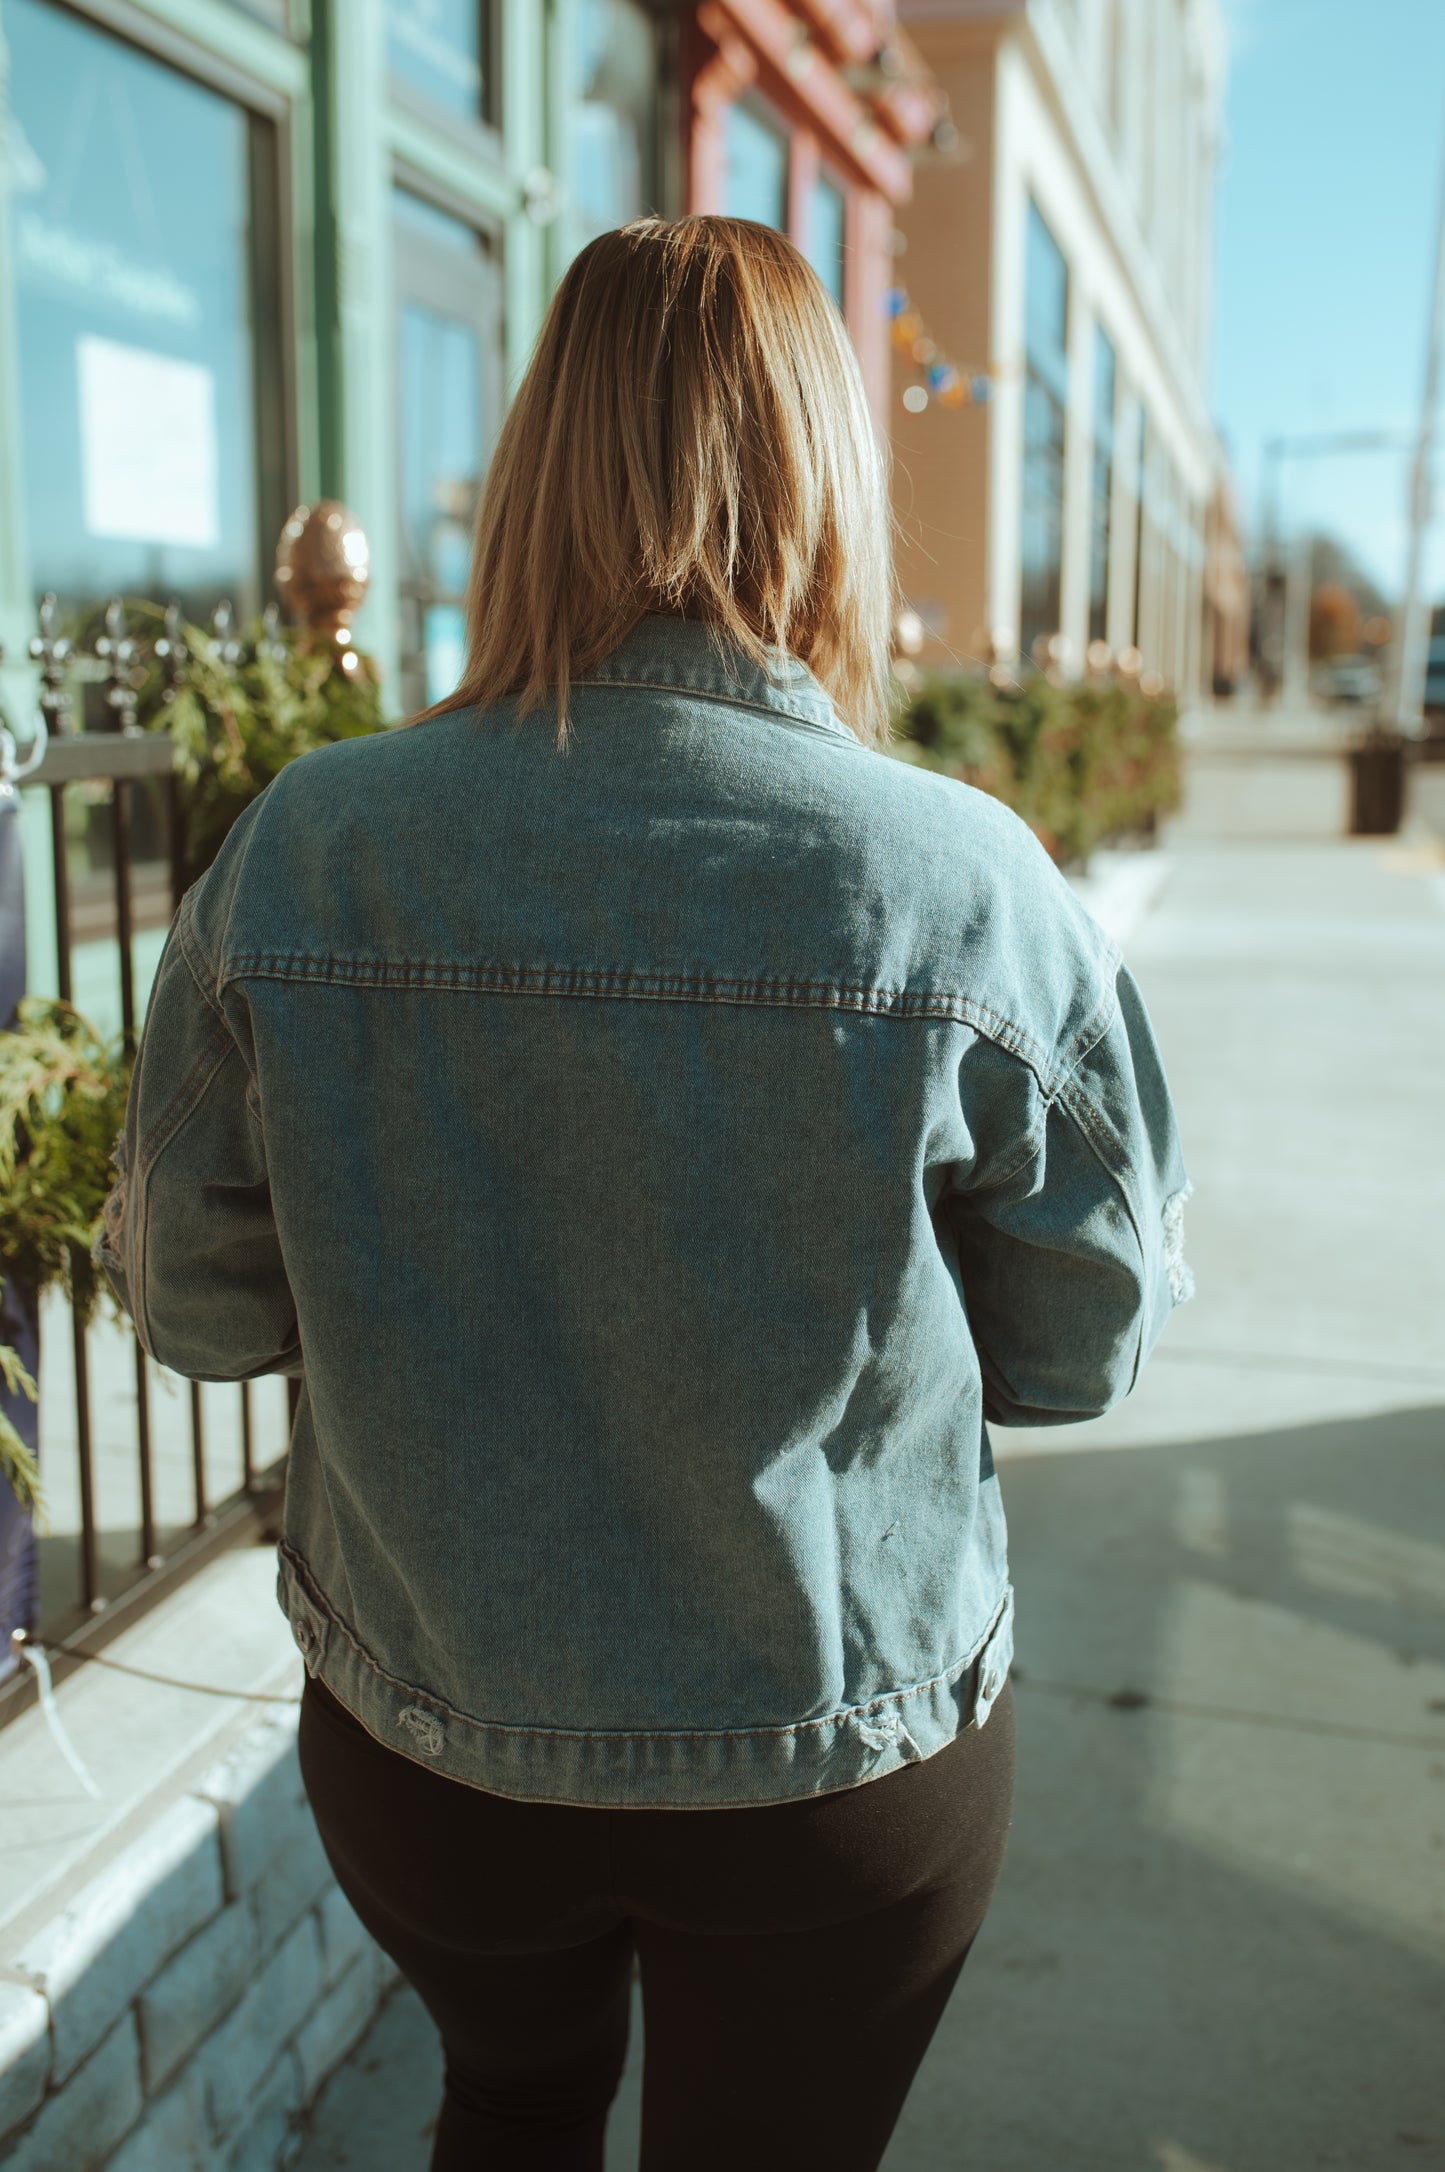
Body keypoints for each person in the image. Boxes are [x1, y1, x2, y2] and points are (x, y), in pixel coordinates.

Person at [98, 215, 1193, 2171]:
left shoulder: (314, 852)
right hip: (836, 1755)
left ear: (532, 474)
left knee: (506, 2109)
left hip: (435, 1739)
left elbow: (192, 1306)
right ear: (827, 481)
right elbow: (1080, 1342)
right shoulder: (963, 882)